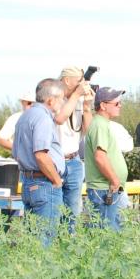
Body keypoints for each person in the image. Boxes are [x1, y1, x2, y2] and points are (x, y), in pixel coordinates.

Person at [14, 78, 67, 243]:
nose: (63, 102)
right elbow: (41, 155)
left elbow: (16, 152)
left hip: (29, 182)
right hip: (44, 183)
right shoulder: (43, 117)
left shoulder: (26, 115)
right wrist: (57, 180)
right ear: (51, 100)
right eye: (62, 98)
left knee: (33, 241)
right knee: (45, 241)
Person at [54, 66, 95, 229]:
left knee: (73, 211)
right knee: (55, 209)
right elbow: (60, 118)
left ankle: (69, 243)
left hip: (74, 160)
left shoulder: (78, 100)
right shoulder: (53, 99)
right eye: (79, 80)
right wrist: (77, 95)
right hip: (55, 161)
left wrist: (86, 107)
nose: (82, 84)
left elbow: (88, 132)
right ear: (66, 80)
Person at [84, 87, 129, 230]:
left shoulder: (101, 124)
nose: (120, 105)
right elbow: (100, 157)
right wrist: (115, 180)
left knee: (113, 233)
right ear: (103, 105)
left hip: (108, 188)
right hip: (105, 189)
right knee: (108, 235)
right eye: (116, 103)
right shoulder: (99, 125)